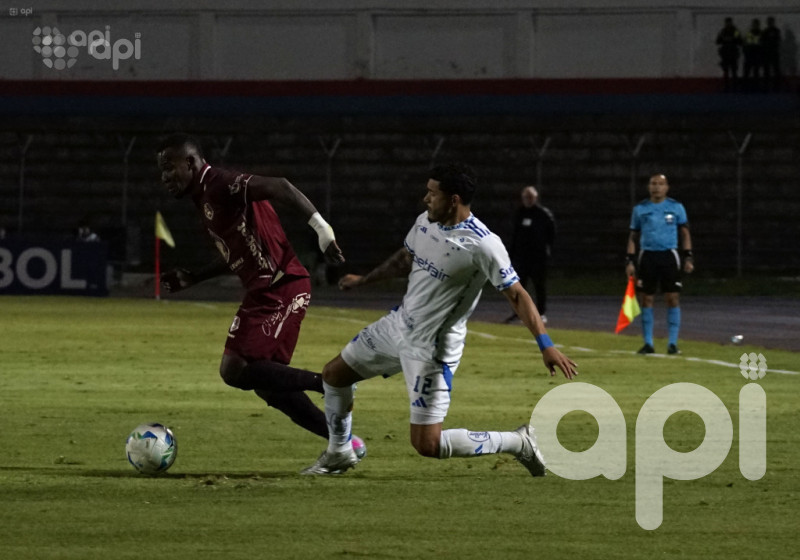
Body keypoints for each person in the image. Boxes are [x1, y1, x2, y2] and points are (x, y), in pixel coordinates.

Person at [301, 163, 578, 476]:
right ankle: (339, 451)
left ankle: (519, 442)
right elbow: (405, 258)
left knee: (427, 444)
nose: (425, 199)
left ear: (454, 199)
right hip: (397, 326)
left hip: (431, 350)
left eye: (432, 193)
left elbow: (517, 295)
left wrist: (546, 345)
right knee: (334, 375)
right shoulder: (425, 222)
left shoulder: (483, 244)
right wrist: (364, 280)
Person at [155, 133, 365, 457]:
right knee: (270, 384)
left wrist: (323, 230)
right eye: (161, 171)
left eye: (170, 168)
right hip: (266, 289)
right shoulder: (205, 198)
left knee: (234, 369)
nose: (165, 178)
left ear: (191, 162)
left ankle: (329, 383)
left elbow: (280, 185)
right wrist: (194, 277)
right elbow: (236, 252)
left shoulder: (220, 184)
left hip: (282, 285)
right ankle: (343, 442)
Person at [625, 173, 694, 355]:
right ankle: (648, 343)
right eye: (653, 184)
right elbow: (633, 236)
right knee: (646, 299)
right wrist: (629, 261)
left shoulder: (676, 207)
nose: (656, 187)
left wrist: (688, 257)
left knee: (672, 298)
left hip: (669, 256)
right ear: (649, 187)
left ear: (667, 187)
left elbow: (685, 233)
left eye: (660, 184)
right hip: (647, 256)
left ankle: (672, 343)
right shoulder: (640, 209)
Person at [505, 185, 555, 324]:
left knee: (539, 286)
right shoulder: (519, 213)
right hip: (521, 258)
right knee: (519, 287)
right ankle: (519, 313)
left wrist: (546, 251)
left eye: (530, 197)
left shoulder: (543, 214)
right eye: (525, 197)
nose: (527, 200)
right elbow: (515, 235)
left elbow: (551, 234)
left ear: (536, 198)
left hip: (538, 258)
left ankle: (541, 313)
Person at [716, 17, 742, 92]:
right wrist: (724, 40)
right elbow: (717, 41)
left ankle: (735, 86)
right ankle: (726, 86)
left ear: (731, 23)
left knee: (734, 71)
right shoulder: (723, 31)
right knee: (726, 71)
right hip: (725, 54)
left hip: (733, 53)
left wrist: (732, 39)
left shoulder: (735, 31)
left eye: (729, 22)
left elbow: (740, 41)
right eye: (727, 22)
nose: (728, 24)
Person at [761, 16, 782, 91]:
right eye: (769, 22)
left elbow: (778, 41)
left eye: (771, 22)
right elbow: (762, 42)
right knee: (767, 70)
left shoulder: (776, 31)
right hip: (767, 53)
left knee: (776, 70)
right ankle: (767, 86)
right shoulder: (765, 31)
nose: (770, 23)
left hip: (774, 53)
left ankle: (777, 86)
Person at [742, 18, 763, 91]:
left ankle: (756, 87)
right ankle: (745, 87)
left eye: (756, 24)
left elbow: (762, 44)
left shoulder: (761, 33)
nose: (755, 26)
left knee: (756, 72)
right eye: (754, 24)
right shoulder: (750, 33)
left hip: (757, 56)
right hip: (750, 56)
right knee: (747, 71)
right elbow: (745, 43)